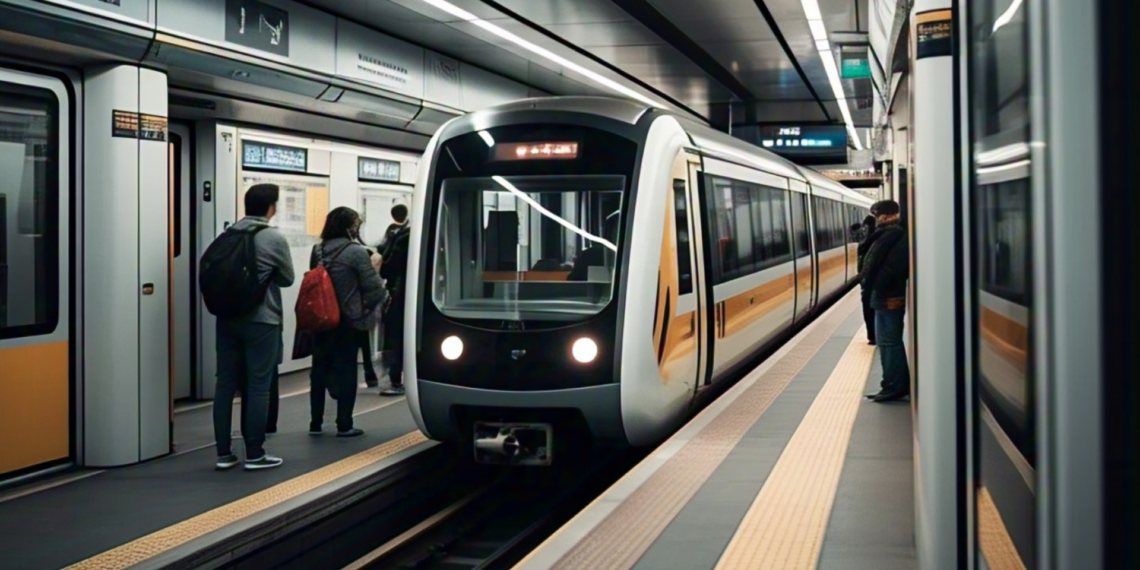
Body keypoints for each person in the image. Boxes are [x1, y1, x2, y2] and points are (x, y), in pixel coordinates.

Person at [212, 183, 294, 471]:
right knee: (258, 386)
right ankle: (255, 454)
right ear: (271, 207)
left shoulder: (228, 234)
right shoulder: (272, 238)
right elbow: (287, 279)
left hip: (227, 319)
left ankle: (224, 454)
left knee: (225, 384)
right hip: (262, 320)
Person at [309, 207, 387, 436]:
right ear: (350, 227)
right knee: (346, 371)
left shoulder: (318, 250)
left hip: (321, 318)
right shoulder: (355, 252)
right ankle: (344, 424)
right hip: (347, 321)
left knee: (319, 370)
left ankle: (315, 423)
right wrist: (366, 309)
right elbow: (373, 288)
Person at [861, 200, 910, 403]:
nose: (878, 219)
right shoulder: (888, 235)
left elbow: (890, 268)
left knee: (889, 342)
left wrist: (875, 285)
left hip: (888, 297)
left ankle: (895, 386)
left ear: (887, 216)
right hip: (885, 296)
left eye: (878, 215)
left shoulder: (893, 235)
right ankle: (891, 383)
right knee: (886, 342)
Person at [377, 204, 411, 396]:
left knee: (394, 337)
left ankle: (395, 379)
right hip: (414, 294)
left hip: (398, 294)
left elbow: (387, 267)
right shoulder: (410, 235)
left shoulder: (397, 238)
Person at [855, 215, 879, 345]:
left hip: (869, 281)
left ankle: (872, 335)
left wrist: (862, 276)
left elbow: (863, 261)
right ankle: (874, 335)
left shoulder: (867, 241)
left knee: (869, 309)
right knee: (874, 309)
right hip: (873, 281)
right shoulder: (879, 237)